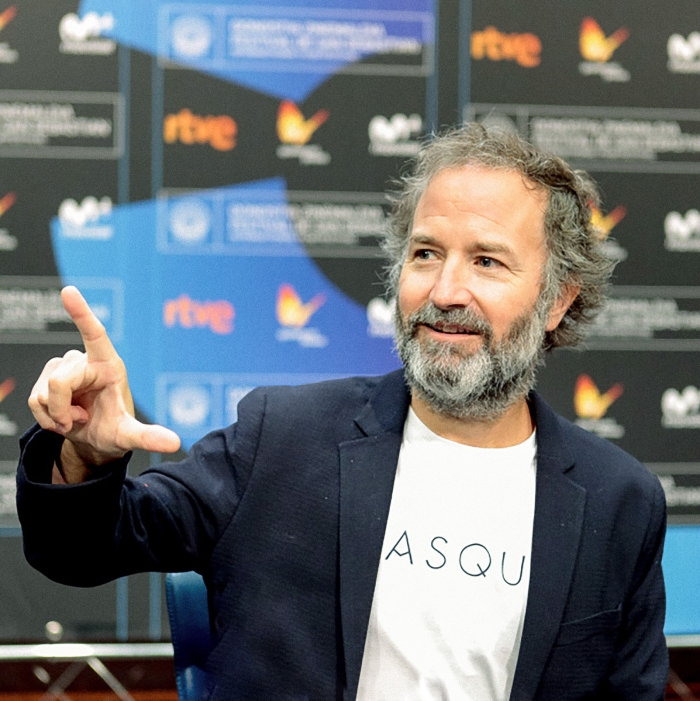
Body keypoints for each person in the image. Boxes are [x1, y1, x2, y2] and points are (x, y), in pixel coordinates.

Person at [17, 124, 667, 701]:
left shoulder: (619, 502)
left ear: (557, 300)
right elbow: (76, 551)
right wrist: (84, 453)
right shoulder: (284, 438)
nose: (445, 291)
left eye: (487, 261)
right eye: (425, 253)